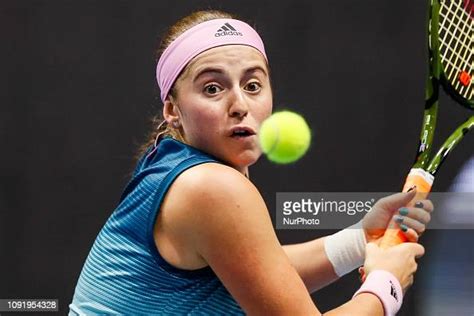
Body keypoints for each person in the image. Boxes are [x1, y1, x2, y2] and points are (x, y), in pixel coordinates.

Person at [69, 10, 433, 315]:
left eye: (253, 85)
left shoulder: (170, 165)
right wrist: (386, 286)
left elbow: (255, 271)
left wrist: (359, 240)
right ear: (172, 110)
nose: (240, 104)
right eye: (213, 88)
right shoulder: (212, 188)